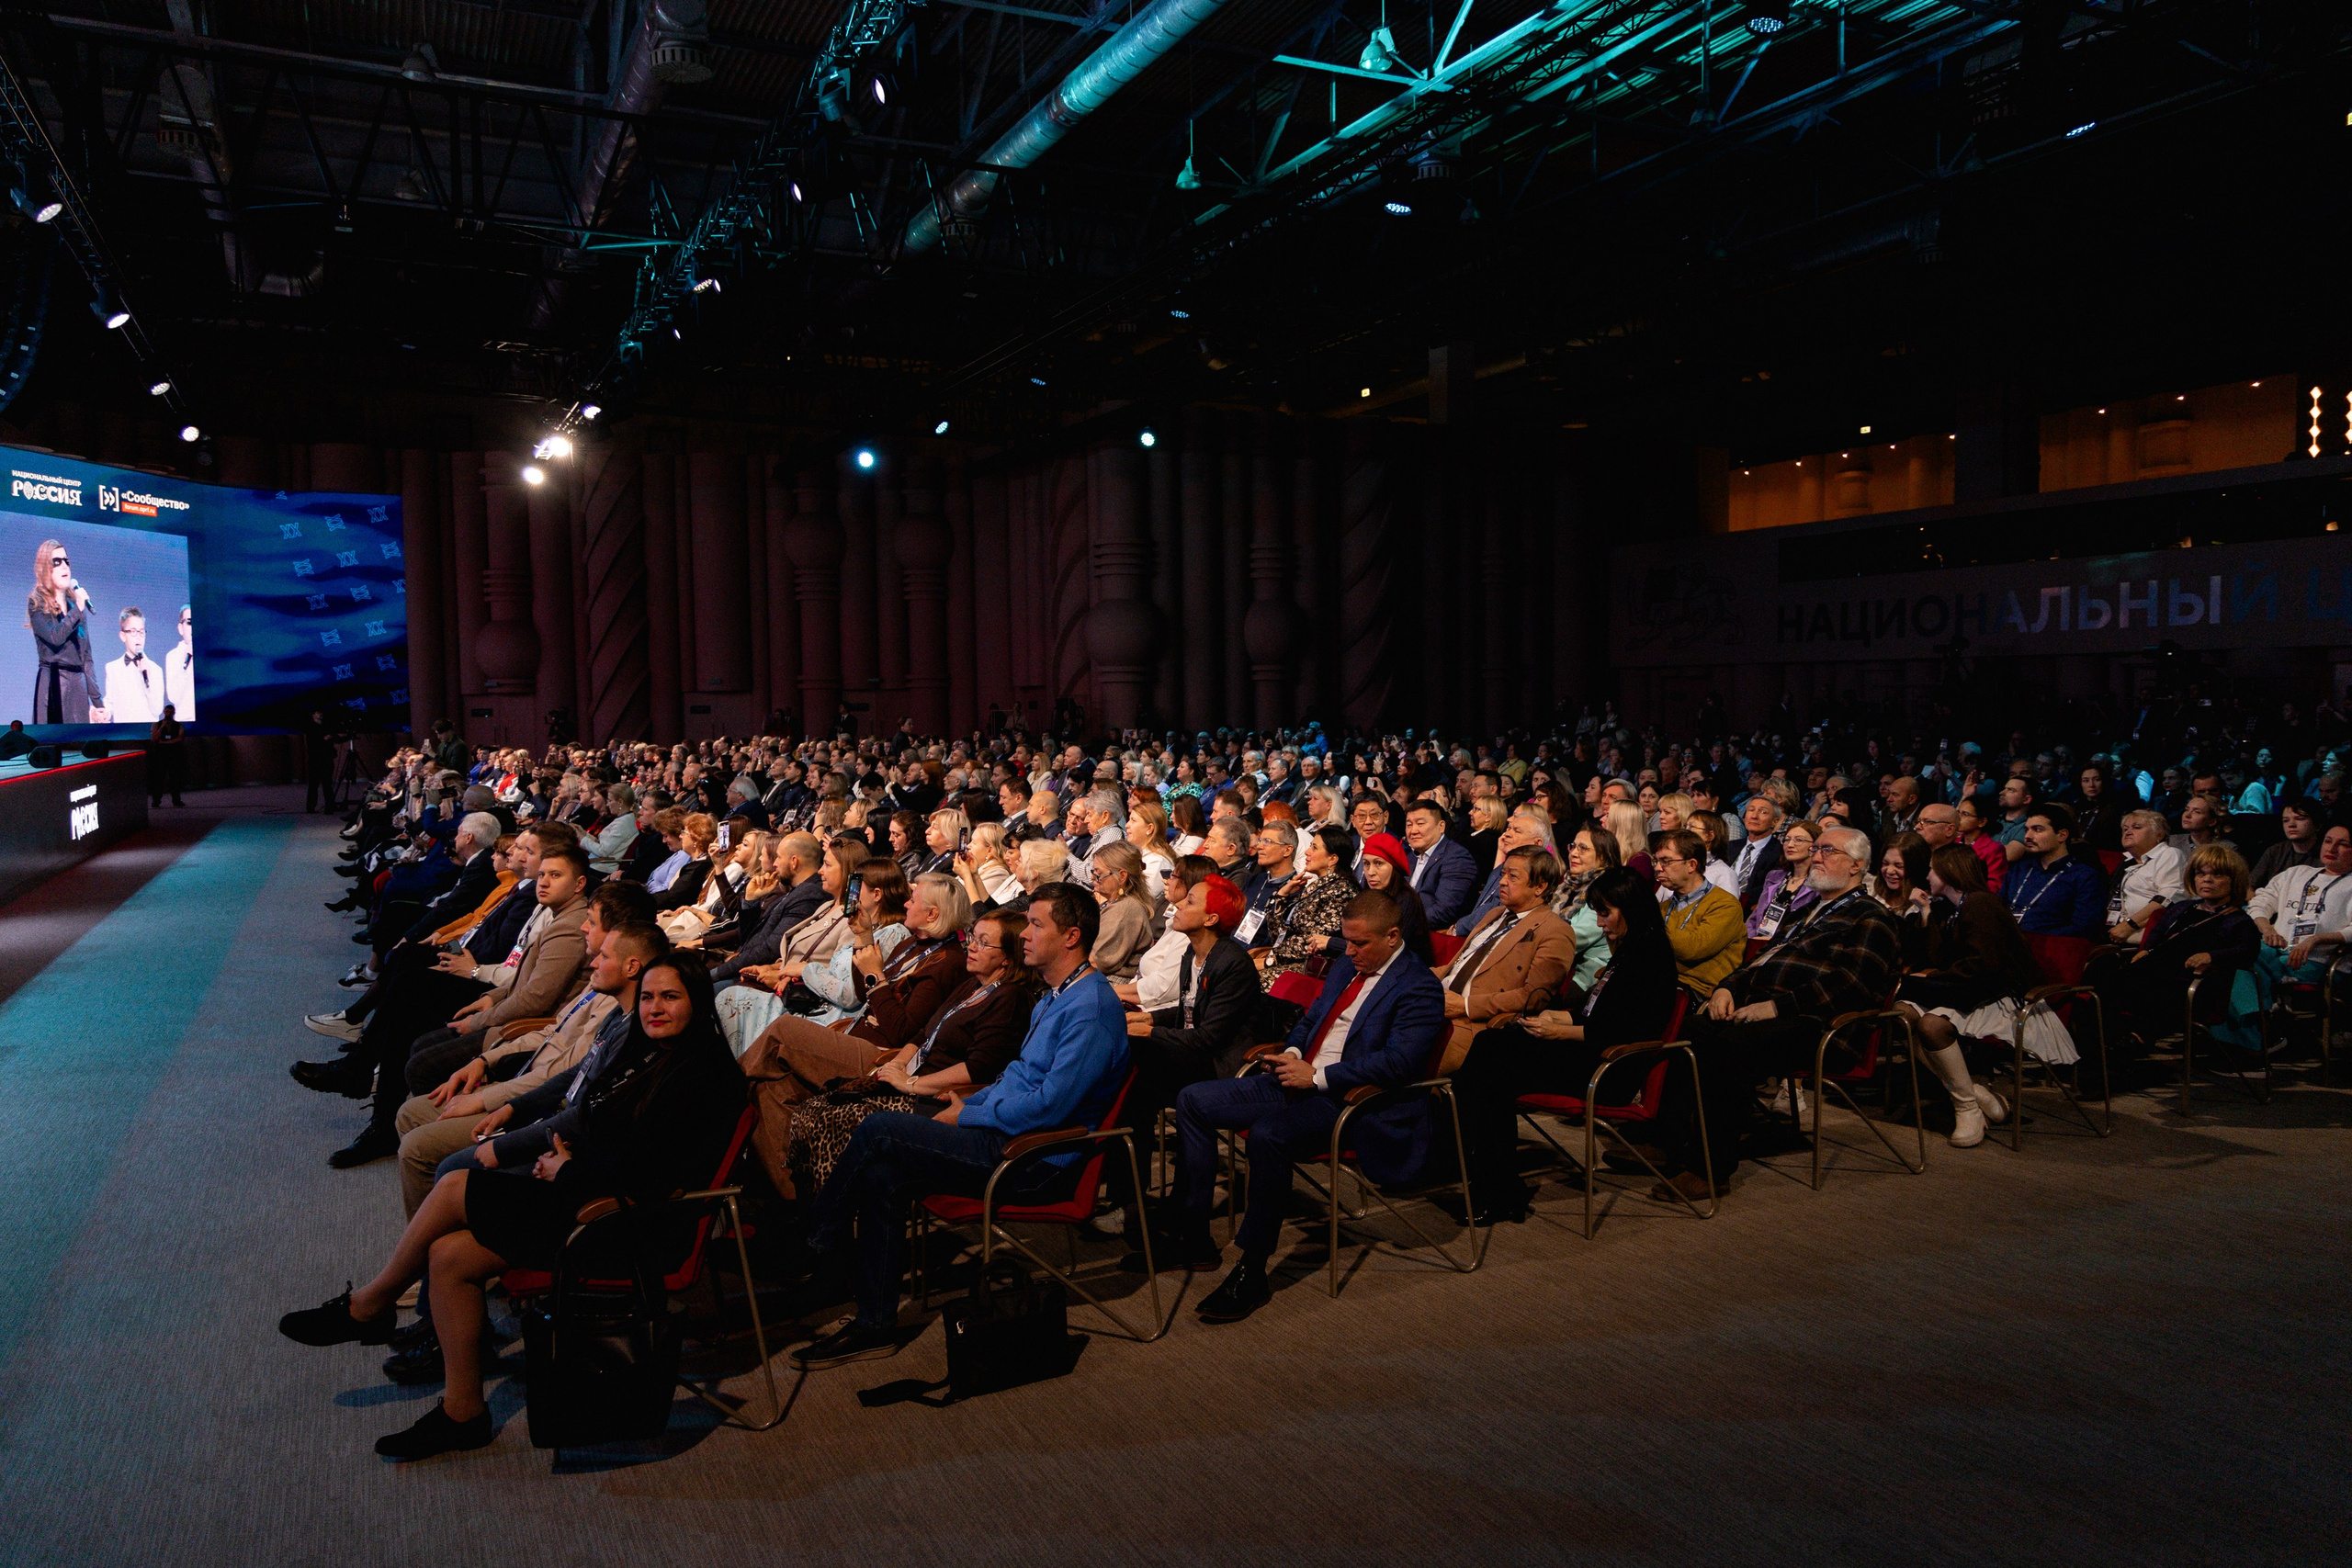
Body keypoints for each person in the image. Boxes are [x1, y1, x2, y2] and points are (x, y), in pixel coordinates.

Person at [277, 953, 744, 1461]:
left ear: (698, 1002)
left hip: (629, 1224)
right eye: (649, 996)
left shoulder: (703, 1072)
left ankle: (369, 1305)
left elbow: (658, 1177)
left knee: (457, 1185)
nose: (654, 1007)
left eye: (670, 997)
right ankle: (464, 1413)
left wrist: (567, 1170)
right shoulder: (649, 1049)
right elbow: (597, 1122)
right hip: (589, 1196)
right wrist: (566, 1158)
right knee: (450, 1258)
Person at [785, 882, 1130, 1370]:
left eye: (1036, 925)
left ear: (1071, 936)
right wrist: (966, 1104)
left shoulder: (1090, 1008)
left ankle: (816, 1246)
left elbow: (1051, 1107)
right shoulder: (1058, 995)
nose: (1024, 935)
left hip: (1034, 1159)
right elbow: (1014, 1078)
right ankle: (874, 1324)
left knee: (880, 1129)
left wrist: (970, 1113)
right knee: (882, 1174)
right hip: (1001, 1135)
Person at [1154, 889, 1447, 1323]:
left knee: (1271, 1135)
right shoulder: (1347, 965)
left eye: (1361, 944)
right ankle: (1194, 1235)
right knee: (1193, 1100)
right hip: (1299, 1078)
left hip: (1349, 1100)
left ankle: (1252, 1268)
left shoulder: (1418, 986)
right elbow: (1311, 1021)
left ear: (1392, 936)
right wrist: (1293, 1052)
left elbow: (1400, 1062)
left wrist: (1320, 1076)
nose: (1350, 952)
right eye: (1346, 941)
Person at [1667, 826, 1905, 1199]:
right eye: (1817, 849)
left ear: (1857, 866)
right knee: (1691, 1030)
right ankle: (1667, 1141)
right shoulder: (1810, 911)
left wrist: (1776, 1007)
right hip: (1771, 1015)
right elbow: (1761, 958)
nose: (1817, 856)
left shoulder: (1872, 917)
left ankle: (1709, 1168)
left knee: (1731, 1044)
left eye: (1829, 850)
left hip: (1824, 1027)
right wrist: (1728, 987)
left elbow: (1850, 985)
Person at [1453, 868, 1681, 1222]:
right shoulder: (1627, 949)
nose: (1600, 922)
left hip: (1610, 1069)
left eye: (1605, 913)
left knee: (1489, 1063)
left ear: (1630, 909)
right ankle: (1490, 1181)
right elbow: (1594, 1013)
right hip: (1588, 1051)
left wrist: (1560, 1032)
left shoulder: (1650, 958)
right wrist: (1554, 1020)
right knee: (1490, 1052)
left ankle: (1488, 1182)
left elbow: (1624, 1033)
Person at [788, 906, 1043, 1196]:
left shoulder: (1009, 998)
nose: (971, 946)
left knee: (830, 1117)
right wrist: (896, 1066)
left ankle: (831, 1209)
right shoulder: (973, 983)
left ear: (1008, 958)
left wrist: (911, 1083)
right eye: (973, 936)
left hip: (939, 1097)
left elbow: (978, 1068)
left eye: (984, 943)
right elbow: (923, 1034)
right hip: (910, 1077)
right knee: (812, 1105)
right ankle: (810, 1203)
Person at [1893, 846, 2047, 1146]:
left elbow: (1984, 966)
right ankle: (1975, 1093)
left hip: (2004, 996)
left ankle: (1966, 1108)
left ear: (1950, 872)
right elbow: (1936, 957)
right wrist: (1925, 913)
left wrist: (1935, 977)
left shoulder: (1981, 904)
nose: (1926, 876)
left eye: (1932, 870)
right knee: (1902, 1014)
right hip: (1970, 988)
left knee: (1931, 1025)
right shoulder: (1953, 906)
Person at [2095, 844, 2260, 1052]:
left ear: (2233, 881)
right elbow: (2158, 932)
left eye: (2217, 875)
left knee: (2153, 994)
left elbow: (2247, 950)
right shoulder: (2183, 908)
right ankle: (2105, 1049)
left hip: (2196, 983)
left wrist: (2211, 955)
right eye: (2201, 874)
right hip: (2156, 971)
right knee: (2103, 986)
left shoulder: (2238, 920)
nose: (2206, 879)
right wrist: (2146, 949)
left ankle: (2131, 1043)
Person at [1432, 847, 1577, 1074]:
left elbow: (1533, 998)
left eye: (1513, 876)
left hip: (1474, 1024)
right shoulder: (1495, 914)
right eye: (1502, 874)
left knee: (1400, 1061)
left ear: (1540, 887)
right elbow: (1456, 965)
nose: (1502, 882)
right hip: (1436, 1002)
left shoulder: (1555, 931)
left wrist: (1466, 1006)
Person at [2247, 823, 2352, 991]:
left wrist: (2316, 939)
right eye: (2328, 841)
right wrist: (2267, 929)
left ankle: (2258, 1013)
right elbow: (2259, 902)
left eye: (2343, 844)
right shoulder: (2296, 873)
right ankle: (2261, 1012)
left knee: (2253, 973)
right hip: (2275, 950)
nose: (2332, 849)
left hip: (2317, 959)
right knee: (2241, 956)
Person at [1654, 828, 1746, 1003]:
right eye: (1657, 861)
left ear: (1691, 865)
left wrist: (1648, 923)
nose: (1658, 868)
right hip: (1661, 981)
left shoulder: (1725, 905)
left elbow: (1692, 949)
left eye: (1666, 861)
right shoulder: (1663, 907)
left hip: (1694, 992)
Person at [28, 538, 105, 722]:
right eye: (57, 562)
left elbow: (86, 658)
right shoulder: (37, 603)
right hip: (54, 683)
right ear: (45, 568)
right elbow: (55, 637)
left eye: (66, 561)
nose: (64, 566)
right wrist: (78, 610)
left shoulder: (75, 606)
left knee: (80, 741)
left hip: (78, 686)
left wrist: (98, 703)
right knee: (54, 741)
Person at [2002, 805, 2108, 938]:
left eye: (2037, 830)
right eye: (2026, 830)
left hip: (2052, 948)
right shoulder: (2019, 869)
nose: (2027, 836)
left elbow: (2083, 928)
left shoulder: (2084, 876)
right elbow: (1998, 909)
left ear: (2061, 835)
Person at [2108, 808, 2187, 946]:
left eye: (2137, 827)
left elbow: (2169, 898)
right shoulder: (2126, 862)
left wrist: (2130, 925)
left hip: (2148, 941)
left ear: (2159, 834)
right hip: (2117, 934)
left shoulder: (2169, 854)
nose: (2128, 832)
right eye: (2125, 829)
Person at [1086, 840, 1157, 981]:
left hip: (1109, 984)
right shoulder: (1118, 903)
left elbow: (1095, 962)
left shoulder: (1125, 909)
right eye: (1093, 871)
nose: (1093, 877)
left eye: (1098, 874)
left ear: (1122, 876)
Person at [1404, 799, 1478, 928]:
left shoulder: (1457, 858)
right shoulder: (1408, 855)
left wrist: (1402, 925)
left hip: (1431, 935)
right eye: (1409, 825)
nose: (1413, 831)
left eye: (1420, 824)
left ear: (1441, 826)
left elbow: (1444, 912)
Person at [1744, 818, 1818, 942]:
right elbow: (1755, 918)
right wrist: (1752, 939)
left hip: (1785, 946)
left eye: (1799, 840)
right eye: (1787, 839)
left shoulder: (1818, 884)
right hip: (1757, 940)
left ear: (1814, 847)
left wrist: (1773, 942)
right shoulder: (1774, 876)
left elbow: (1807, 929)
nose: (1790, 845)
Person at [99, 606, 169, 723]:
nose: (138, 636)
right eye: (133, 631)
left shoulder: (156, 670)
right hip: (121, 735)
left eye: (141, 632)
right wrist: (104, 713)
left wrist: (148, 677)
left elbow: (157, 709)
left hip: (147, 734)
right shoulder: (112, 668)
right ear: (123, 636)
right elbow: (110, 702)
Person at [148, 705, 187, 807]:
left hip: (174, 755)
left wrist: (165, 742)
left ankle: (176, 800)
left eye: (170, 712)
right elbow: (155, 739)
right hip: (160, 755)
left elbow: (179, 738)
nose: (168, 714)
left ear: (174, 713)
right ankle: (156, 801)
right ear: (164, 712)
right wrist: (162, 727)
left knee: (175, 778)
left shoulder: (179, 725)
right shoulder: (156, 724)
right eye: (166, 712)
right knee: (159, 778)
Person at [163, 603, 195, 721]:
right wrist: (187, 661)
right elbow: (173, 696)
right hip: (186, 723)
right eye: (190, 622)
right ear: (181, 628)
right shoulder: (173, 656)